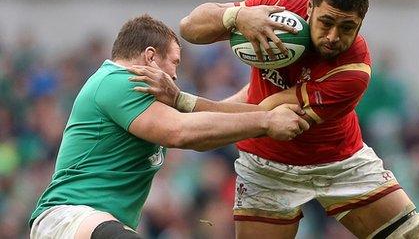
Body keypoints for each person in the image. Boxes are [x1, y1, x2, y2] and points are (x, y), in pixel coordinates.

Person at [129, 0, 419, 238]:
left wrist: (183, 101)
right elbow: (189, 28)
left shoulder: (353, 71)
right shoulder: (277, 7)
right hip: (266, 165)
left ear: (361, 23)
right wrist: (237, 16)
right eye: (326, 22)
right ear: (311, 8)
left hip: (339, 164)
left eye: (347, 27)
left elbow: (265, 114)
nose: (333, 37)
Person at [28, 14, 310, 239]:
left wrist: (264, 87)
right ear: (150, 57)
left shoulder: (145, 97)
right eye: (174, 62)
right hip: (66, 218)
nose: (175, 74)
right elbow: (183, 132)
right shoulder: (120, 80)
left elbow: (211, 121)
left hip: (97, 224)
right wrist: (265, 120)